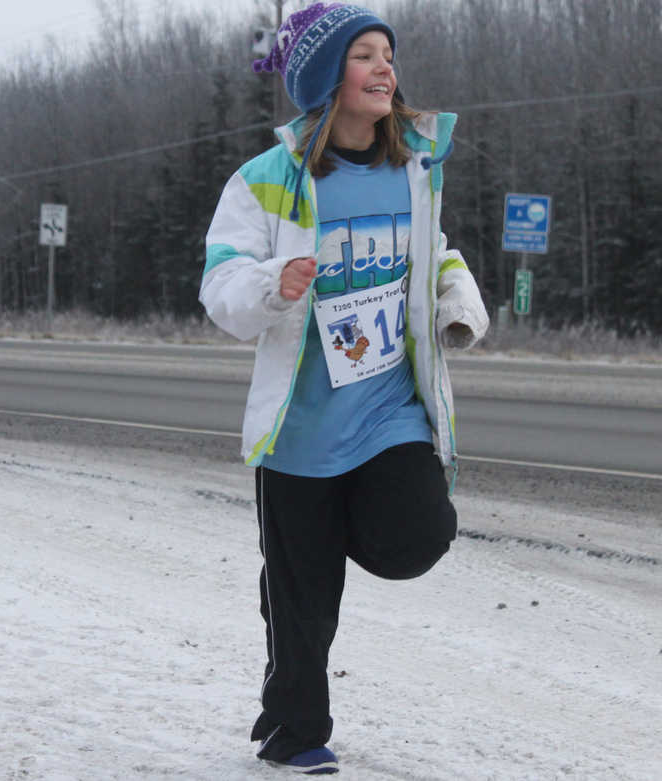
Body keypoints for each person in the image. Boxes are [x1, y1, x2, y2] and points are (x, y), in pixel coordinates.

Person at [200, 3, 489, 774]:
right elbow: (221, 286)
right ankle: (296, 730)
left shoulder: (415, 167)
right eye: (365, 55)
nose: (386, 69)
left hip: (387, 409)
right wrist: (274, 283)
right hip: (299, 428)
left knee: (420, 531)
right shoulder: (266, 181)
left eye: (388, 55)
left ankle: (330, 541)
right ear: (329, 79)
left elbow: (436, 256)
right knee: (303, 601)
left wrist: (458, 303)